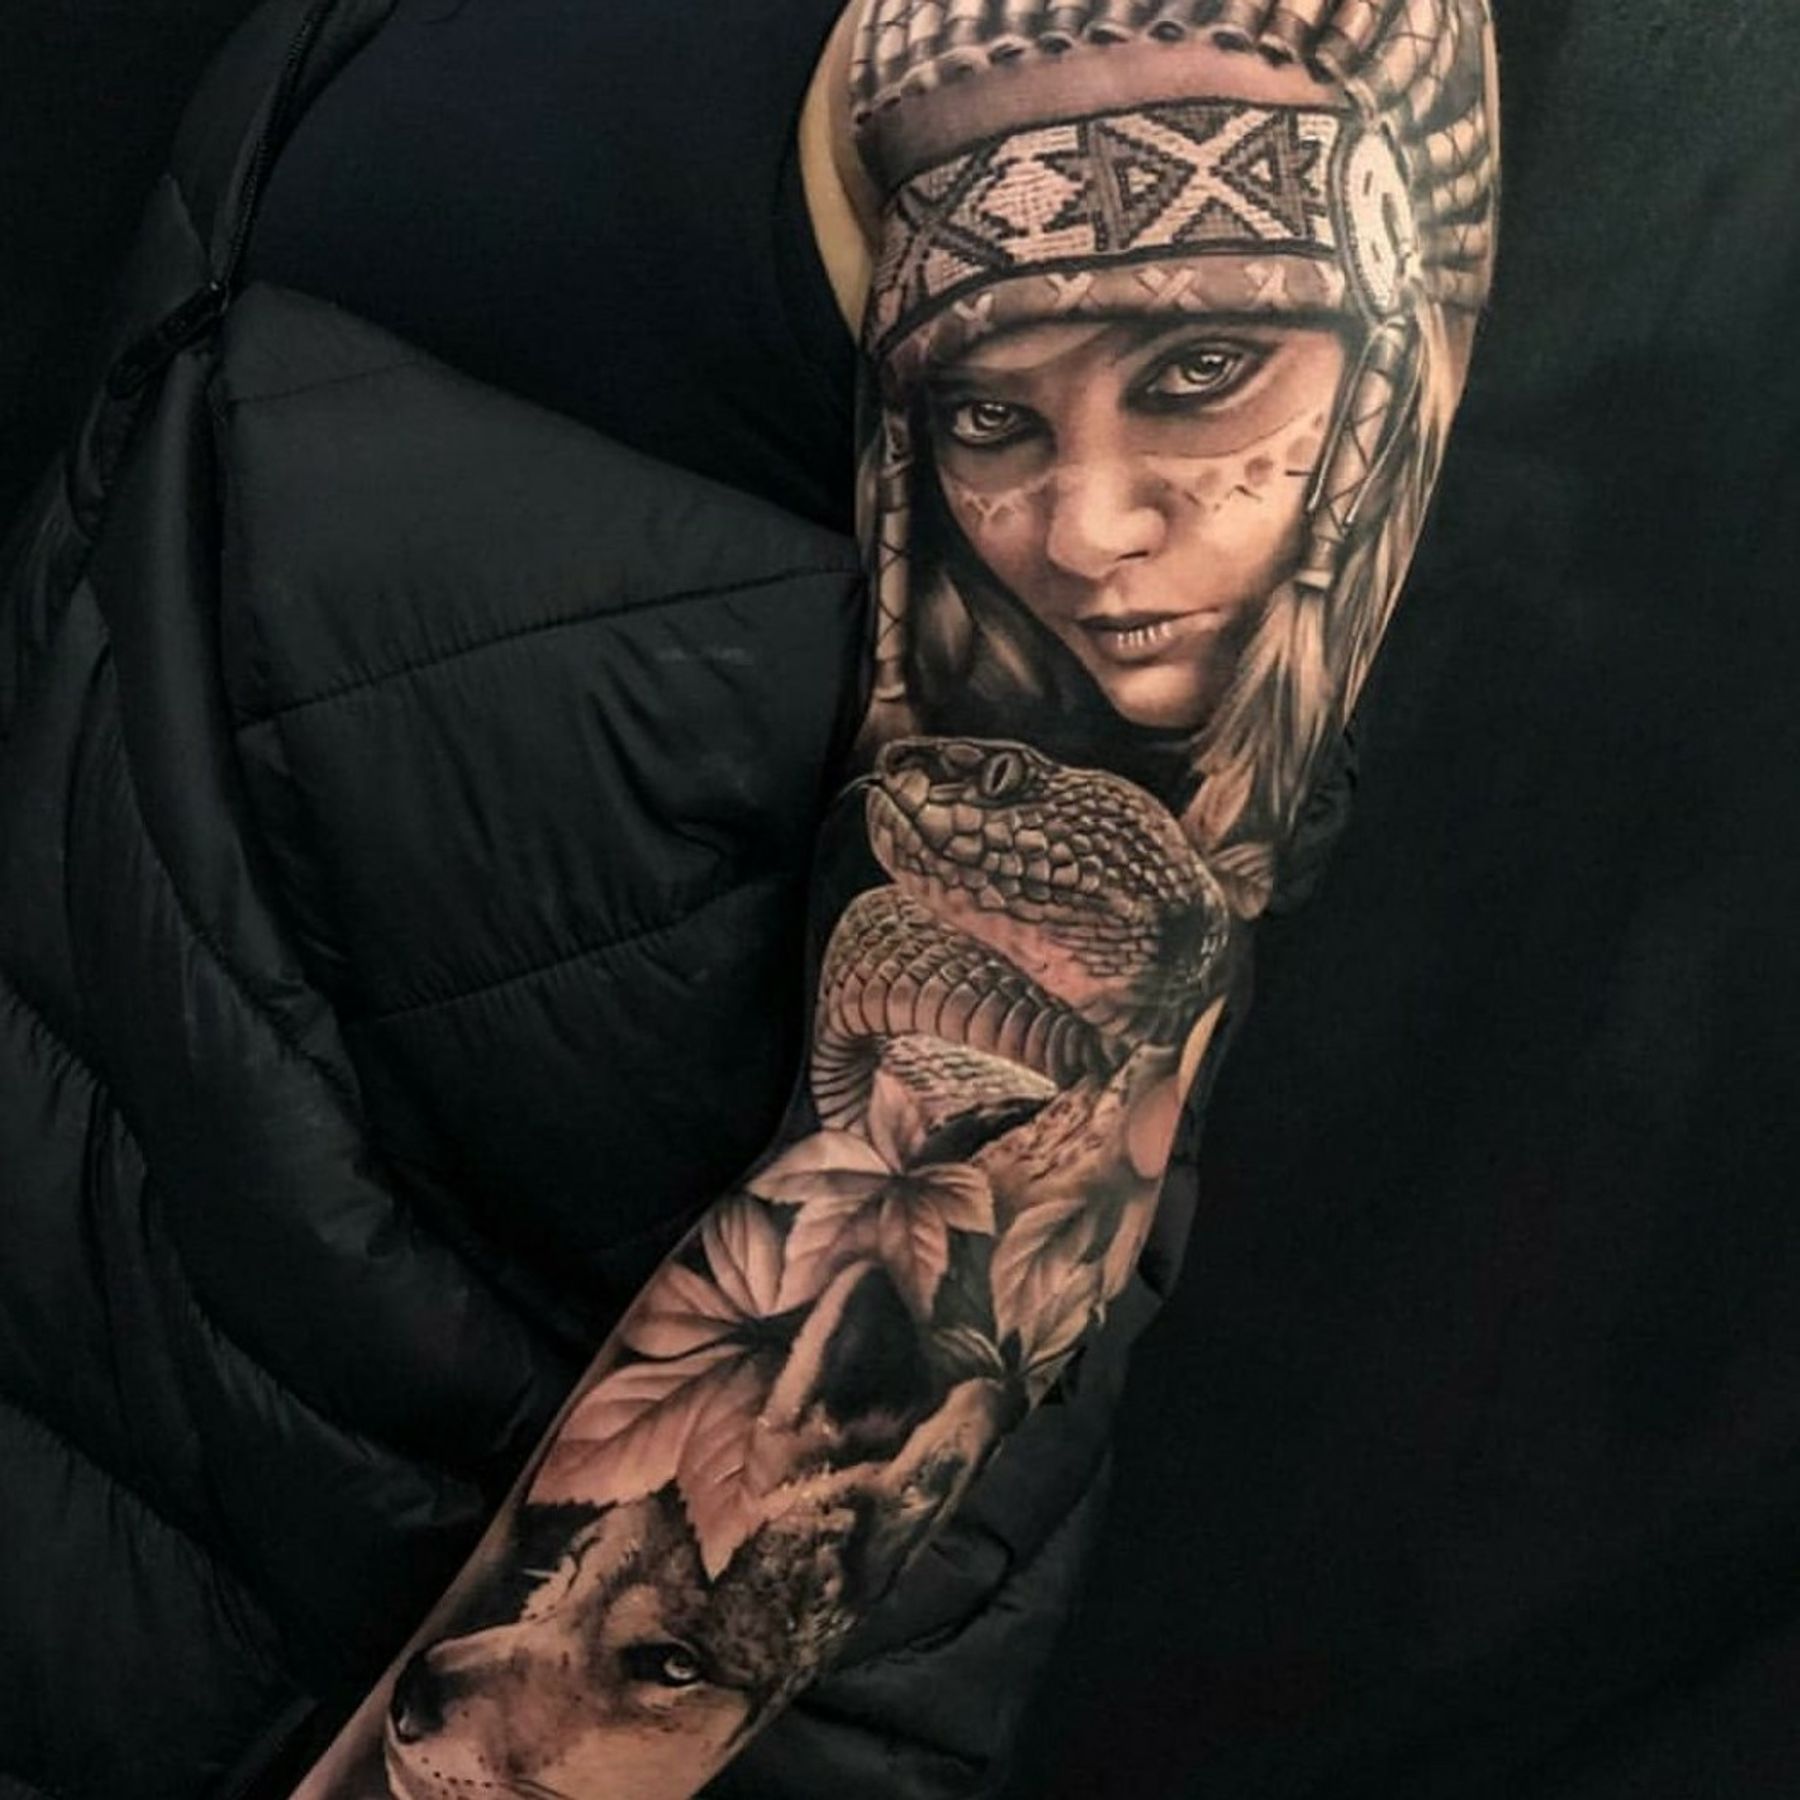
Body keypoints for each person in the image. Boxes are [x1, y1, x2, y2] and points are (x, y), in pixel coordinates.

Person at [0, 2, 1493, 1797]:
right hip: (117, 1279)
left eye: (1198, 377)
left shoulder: (1183, 37)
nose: (1087, 527)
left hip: (443, 1543)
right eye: (999, 414)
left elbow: (973, 1183)